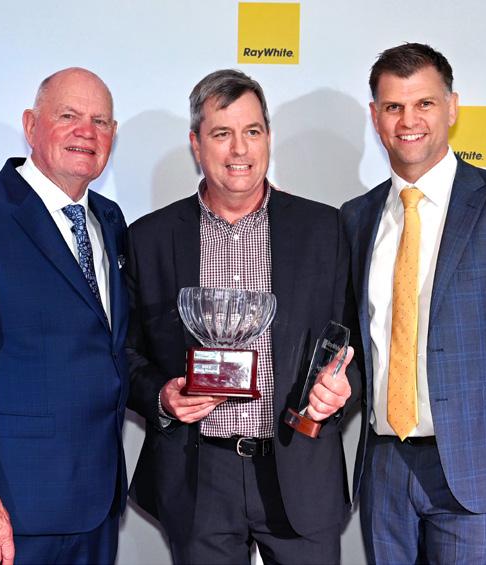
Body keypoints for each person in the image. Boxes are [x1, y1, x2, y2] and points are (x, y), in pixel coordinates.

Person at [342, 42, 486, 564]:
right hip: (384, 468)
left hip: (484, 472)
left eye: (424, 103)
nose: (408, 121)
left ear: (452, 107)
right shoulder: (356, 217)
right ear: (375, 117)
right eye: (394, 106)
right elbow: (360, 345)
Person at [125, 69, 356, 565]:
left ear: (268, 137)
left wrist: (341, 389)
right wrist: (161, 396)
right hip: (199, 476)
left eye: (252, 131)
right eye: (221, 133)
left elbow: (355, 342)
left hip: (298, 467)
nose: (239, 149)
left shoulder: (325, 229)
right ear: (195, 143)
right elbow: (124, 354)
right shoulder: (149, 238)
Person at [0, 67, 129, 564]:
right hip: (3, 515)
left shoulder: (109, 220)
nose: (86, 132)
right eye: (68, 116)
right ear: (30, 125)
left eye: (100, 121)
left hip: (95, 510)